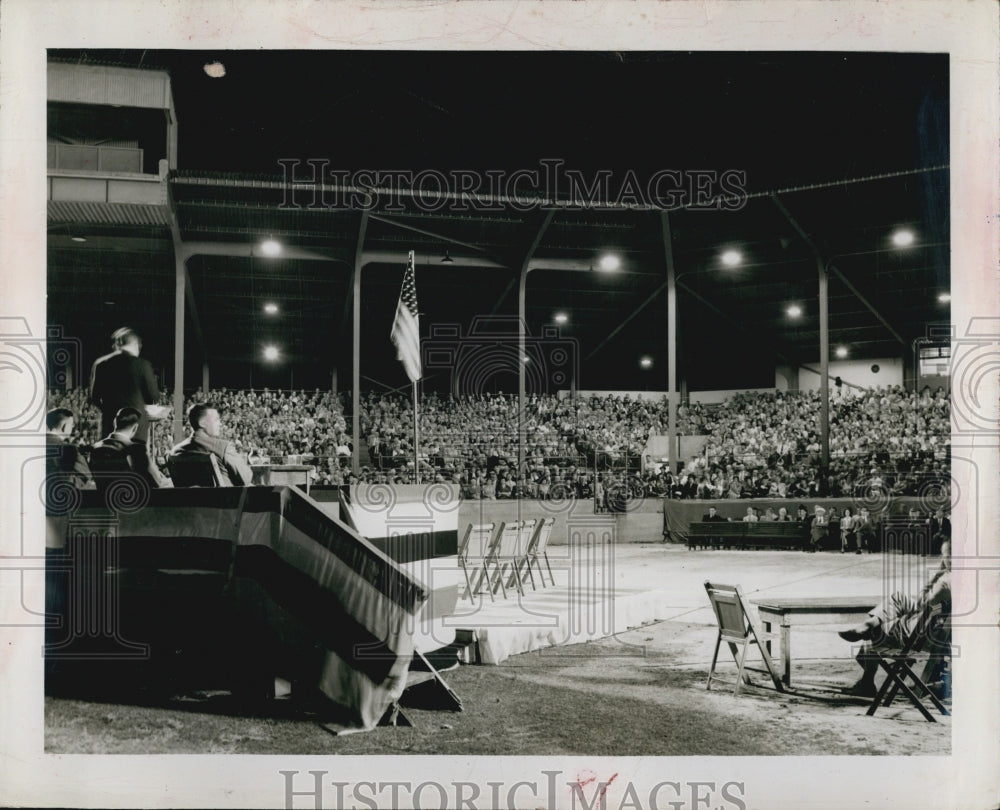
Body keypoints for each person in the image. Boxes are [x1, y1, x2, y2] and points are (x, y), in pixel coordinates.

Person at [837, 541, 951, 698]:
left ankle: (867, 683)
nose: (944, 560)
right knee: (898, 597)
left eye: (946, 556)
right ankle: (869, 624)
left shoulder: (945, 583)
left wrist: (936, 575)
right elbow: (929, 606)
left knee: (875, 632)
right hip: (936, 629)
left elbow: (921, 602)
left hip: (921, 636)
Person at [89, 327, 163, 442]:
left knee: (111, 457)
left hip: (110, 426)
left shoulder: (101, 364)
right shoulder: (143, 365)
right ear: (135, 344)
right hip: (136, 428)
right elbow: (154, 397)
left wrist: (110, 411)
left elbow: (94, 398)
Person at [169, 403, 252, 486]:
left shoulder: (175, 451)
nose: (219, 423)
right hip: (223, 498)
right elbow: (247, 478)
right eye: (216, 419)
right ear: (202, 423)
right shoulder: (223, 448)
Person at [90, 407, 170, 491]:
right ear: (135, 427)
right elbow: (157, 483)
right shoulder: (136, 450)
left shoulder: (95, 448)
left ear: (114, 423)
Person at [45, 407, 94, 496]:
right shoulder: (69, 448)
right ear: (65, 426)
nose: (72, 427)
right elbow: (85, 477)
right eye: (71, 424)